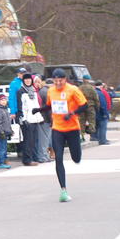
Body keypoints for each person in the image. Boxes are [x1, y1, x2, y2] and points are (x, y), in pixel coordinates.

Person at [33, 68, 87, 202]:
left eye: (60, 81)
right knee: (58, 158)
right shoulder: (51, 91)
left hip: (72, 128)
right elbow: (50, 105)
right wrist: (39, 109)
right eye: (55, 81)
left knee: (76, 158)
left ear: (65, 80)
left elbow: (84, 105)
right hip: (57, 128)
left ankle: (77, 155)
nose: (57, 83)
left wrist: (72, 113)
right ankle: (63, 190)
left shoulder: (73, 90)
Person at [16, 74, 43, 166]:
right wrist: (23, 118)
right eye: (26, 79)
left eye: (29, 79)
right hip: (26, 119)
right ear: (23, 81)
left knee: (34, 140)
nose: (28, 81)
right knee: (28, 140)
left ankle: (34, 157)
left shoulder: (33, 90)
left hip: (34, 118)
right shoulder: (20, 91)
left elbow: (36, 105)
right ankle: (27, 160)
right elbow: (20, 106)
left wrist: (39, 117)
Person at [35, 77, 54, 160]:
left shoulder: (42, 91)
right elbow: (49, 108)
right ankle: (43, 157)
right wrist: (52, 120)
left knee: (44, 139)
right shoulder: (47, 92)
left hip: (42, 117)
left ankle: (44, 156)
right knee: (44, 139)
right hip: (45, 118)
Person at [0, 94, 12, 169]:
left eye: (5, 100)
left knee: (4, 147)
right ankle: (0, 163)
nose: (4, 101)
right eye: (2, 100)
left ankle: (3, 161)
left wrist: (10, 130)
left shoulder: (5, 109)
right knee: (2, 148)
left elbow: (7, 122)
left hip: (5, 132)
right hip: (1, 133)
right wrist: (1, 132)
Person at [78, 75, 100, 140]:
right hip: (90, 106)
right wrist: (97, 107)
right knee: (91, 121)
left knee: (81, 122)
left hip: (81, 106)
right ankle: (92, 135)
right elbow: (96, 98)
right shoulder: (91, 88)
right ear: (88, 80)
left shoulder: (79, 88)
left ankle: (82, 136)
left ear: (83, 79)